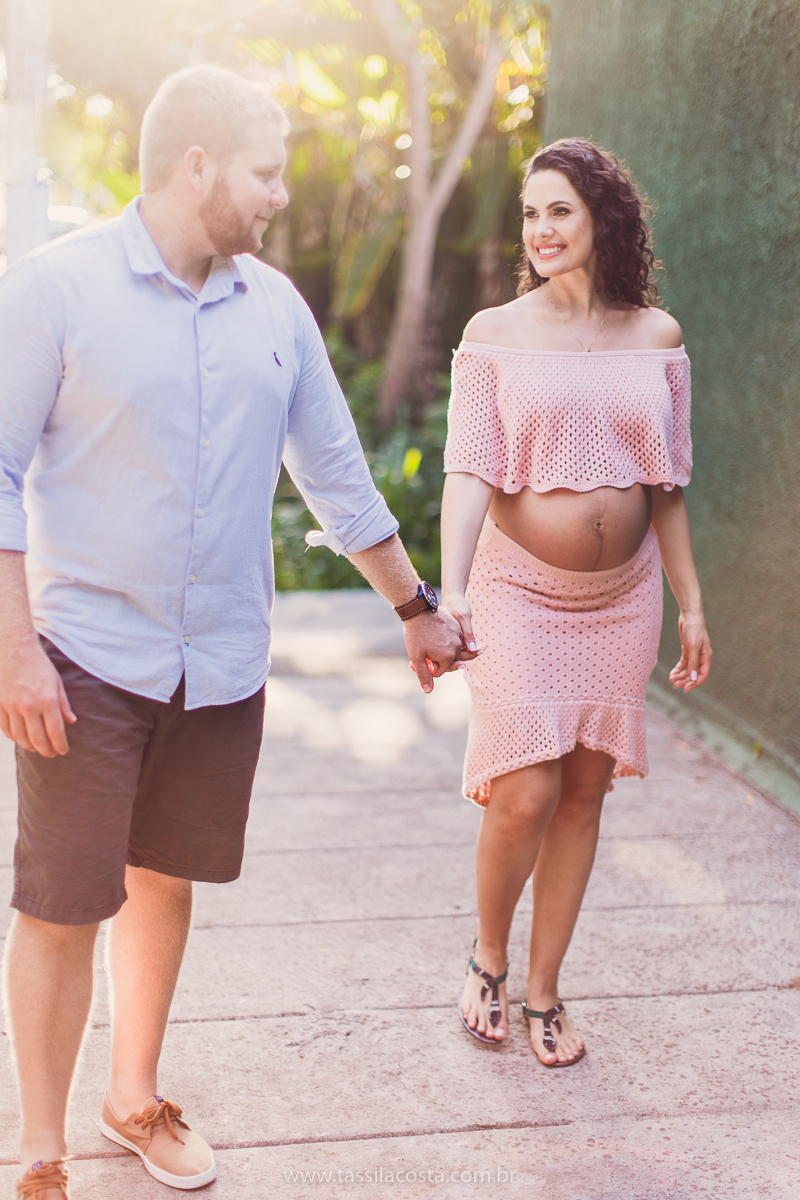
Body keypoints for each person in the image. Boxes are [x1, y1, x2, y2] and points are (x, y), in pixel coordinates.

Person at [0, 65, 471, 1200]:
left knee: (165, 880)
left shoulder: (275, 308)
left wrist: (414, 609)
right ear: (197, 164)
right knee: (64, 906)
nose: (276, 198)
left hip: (218, 663)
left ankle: (133, 1099)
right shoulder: (53, 289)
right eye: (265, 172)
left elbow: (337, 477)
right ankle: (41, 1152)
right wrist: (12, 652)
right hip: (81, 659)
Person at [441, 138, 712, 1066]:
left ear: (603, 217)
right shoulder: (493, 333)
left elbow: (668, 484)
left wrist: (693, 603)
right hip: (517, 592)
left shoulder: (658, 337)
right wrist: (454, 594)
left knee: (586, 791)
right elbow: (469, 472)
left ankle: (545, 989)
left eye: (559, 209)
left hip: (623, 599)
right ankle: (488, 958)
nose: (541, 229)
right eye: (530, 212)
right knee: (526, 788)